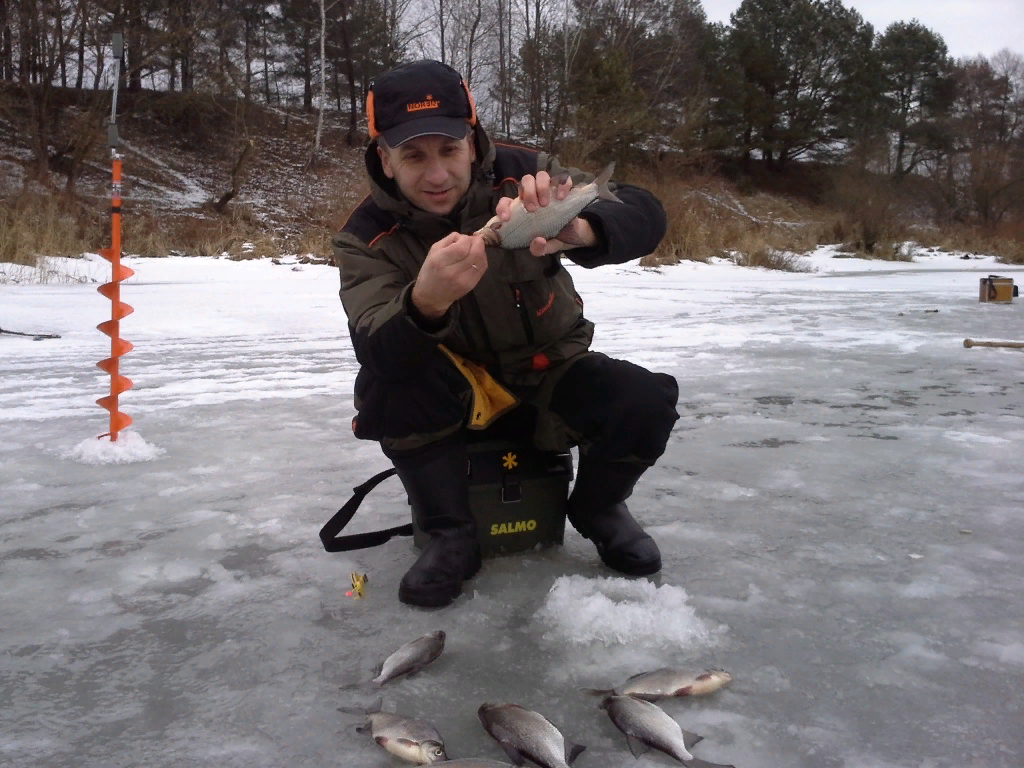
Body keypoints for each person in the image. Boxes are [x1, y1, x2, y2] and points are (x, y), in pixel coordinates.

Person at [333, 60, 679, 608]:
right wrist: (425, 301)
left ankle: (598, 507)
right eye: (414, 156)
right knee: (383, 390)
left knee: (645, 400)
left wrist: (583, 229)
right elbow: (377, 347)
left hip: (548, 374)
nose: (438, 174)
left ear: (471, 143)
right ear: (385, 159)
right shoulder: (366, 238)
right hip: (453, 397)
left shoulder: (527, 177)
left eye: (448, 150)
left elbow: (646, 213)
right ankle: (450, 531)